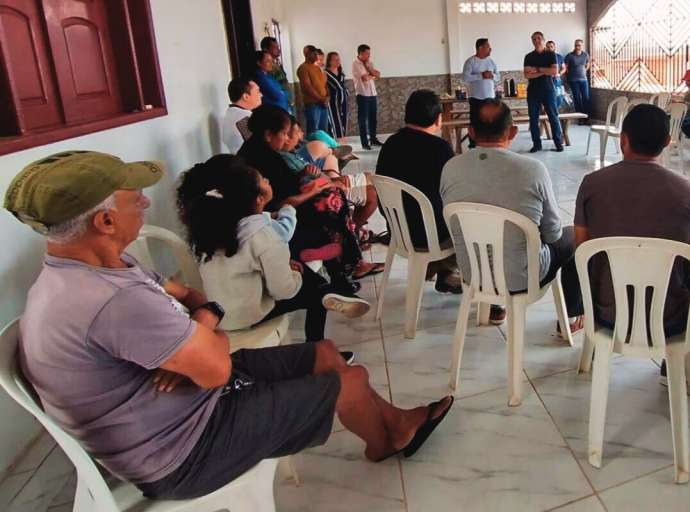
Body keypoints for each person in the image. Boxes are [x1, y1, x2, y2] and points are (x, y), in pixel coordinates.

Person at [6, 150, 454, 500]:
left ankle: (392, 423)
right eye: (133, 198)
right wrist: (205, 326)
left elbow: (193, 298)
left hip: (177, 407)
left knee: (325, 355)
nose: (145, 201)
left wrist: (200, 327)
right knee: (349, 379)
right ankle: (387, 438)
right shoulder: (112, 299)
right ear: (104, 221)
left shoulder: (98, 268)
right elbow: (214, 362)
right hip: (179, 452)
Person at [176, 156, 369, 353]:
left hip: (218, 312)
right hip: (248, 315)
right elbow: (284, 291)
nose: (268, 180)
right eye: (263, 180)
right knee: (314, 292)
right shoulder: (264, 236)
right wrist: (291, 274)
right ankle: (318, 350)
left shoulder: (208, 228)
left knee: (302, 273)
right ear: (258, 198)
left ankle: (326, 289)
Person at [441, 99, 583, 329]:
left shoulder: (451, 168)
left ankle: (496, 306)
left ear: (471, 132)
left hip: (472, 272)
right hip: (522, 277)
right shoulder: (532, 170)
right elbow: (553, 234)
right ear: (513, 131)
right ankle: (572, 317)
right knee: (574, 236)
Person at [574, 104, 690, 386]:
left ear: (623, 139)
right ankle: (680, 366)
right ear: (666, 142)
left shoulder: (592, 185)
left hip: (606, 314)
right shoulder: (685, 192)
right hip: (671, 320)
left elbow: (581, 250)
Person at [238, 105, 384, 285]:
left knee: (333, 198)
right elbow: (282, 201)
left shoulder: (260, 150)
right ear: (269, 134)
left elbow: (285, 183)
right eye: (284, 133)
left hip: (282, 207)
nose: (286, 139)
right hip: (276, 214)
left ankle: (344, 266)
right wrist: (314, 191)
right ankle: (346, 263)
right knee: (333, 203)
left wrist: (304, 178)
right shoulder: (264, 158)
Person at [376, 90, 463, 294]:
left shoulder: (390, 144)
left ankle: (441, 270)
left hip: (399, 232)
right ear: (438, 119)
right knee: (468, 219)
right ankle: (448, 270)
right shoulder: (440, 148)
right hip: (431, 235)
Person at [281, 117, 378, 233]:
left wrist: (333, 180)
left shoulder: (290, 154)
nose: (299, 135)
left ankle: (352, 226)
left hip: (325, 183)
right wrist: (334, 183)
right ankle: (351, 231)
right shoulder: (284, 158)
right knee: (373, 193)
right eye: (296, 132)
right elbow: (303, 184)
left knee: (370, 179)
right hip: (321, 190)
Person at [523, 31, 564, 152]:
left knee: (553, 116)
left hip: (548, 90)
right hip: (533, 91)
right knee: (533, 118)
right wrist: (545, 71)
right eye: (534, 39)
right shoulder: (529, 56)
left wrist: (536, 69)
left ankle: (558, 143)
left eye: (539, 38)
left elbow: (554, 71)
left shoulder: (551, 55)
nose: (536, 41)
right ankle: (537, 144)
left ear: (543, 40)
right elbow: (527, 75)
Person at [462, 38, 500, 148]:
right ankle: (473, 144)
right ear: (480, 48)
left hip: (490, 97)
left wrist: (492, 75)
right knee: (475, 122)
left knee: (490, 121)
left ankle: (490, 143)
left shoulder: (491, 61)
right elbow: (465, 78)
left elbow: (498, 77)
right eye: (488, 46)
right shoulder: (470, 61)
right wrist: (481, 76)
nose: (490, 49)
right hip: (476, 98)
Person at [352, 44, 382, 150]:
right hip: (362, 94)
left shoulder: (369, 63)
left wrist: (371, 72)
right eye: (367, 53)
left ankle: (373, 139)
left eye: (369, 53)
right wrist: (372, 74)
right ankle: (364, 142)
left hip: (372, 94)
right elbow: (364, 78)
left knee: (373, 118)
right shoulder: (356, 64)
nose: (369, 55)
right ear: (360, 54)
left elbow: (378, 74)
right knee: (362, 119)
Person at [221, 77, 262, 154]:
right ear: (246, 97)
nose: (261, 95)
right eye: (258, 92)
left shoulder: (232, 113)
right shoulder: (243, 118)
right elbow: (258, 148)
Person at [297, 45, 330, 134]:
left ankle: (323, 148)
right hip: (313, 104)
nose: (316, 57)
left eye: (316, 54)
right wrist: (321, 99)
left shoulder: (317, 68)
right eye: (313, 54)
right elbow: (307, 87)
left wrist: (327, 97)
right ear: (306, 54)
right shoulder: (303, 68)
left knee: (323, 132)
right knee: (314, 132)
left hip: (323, 103)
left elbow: (324, 84)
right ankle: (313, 148)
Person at [260, 36, 292, 108]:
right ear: (265, 49)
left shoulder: (276, 63)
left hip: (284, 102)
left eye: (278, 47)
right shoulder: (266, 68)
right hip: (276, 104)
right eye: (275, 47)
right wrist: (284, 96)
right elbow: (273, 88)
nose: (278, 49)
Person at [564, 39, 590, 123]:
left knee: (586, 98)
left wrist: (585, 69)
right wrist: (569, 75)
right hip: (573, 80)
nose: (577, 47)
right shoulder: (569, 56)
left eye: (579, 45)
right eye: (576, 45)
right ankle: (580, 119)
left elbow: (588, 64)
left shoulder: (585, 55)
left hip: (584, 80)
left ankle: (586, 118)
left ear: (582, 46)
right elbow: (566, 67)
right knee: (577, 98)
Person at [326, 51, 349, 139]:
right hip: (333, 101)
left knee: (344, 119)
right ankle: (336, 140)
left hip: (343, 100)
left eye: (338, 59)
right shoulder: (325, 73)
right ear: (330, 61)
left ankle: (342, 138)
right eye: (335, 60)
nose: (338, 61)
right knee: (335, 120)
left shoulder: (341, 73)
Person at [545, 41, 566, 109]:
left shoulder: (559, 57)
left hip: (557, 80)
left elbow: (564, 68)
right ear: (546, 48)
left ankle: (555, 112)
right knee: (548, 98)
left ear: (554, 47)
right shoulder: (543, 57)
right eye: (548, 47)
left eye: (551, 46)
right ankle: (547, 116)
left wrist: (559, 74)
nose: (550, 48)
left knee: (559, 97)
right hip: (547, 80)